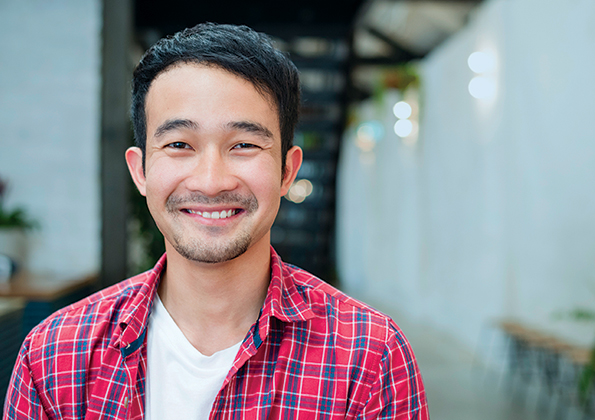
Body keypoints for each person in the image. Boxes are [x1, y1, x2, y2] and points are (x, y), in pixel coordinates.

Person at [4, 23, 428, 419]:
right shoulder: (54, 356)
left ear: (286, 170)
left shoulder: (370, 358)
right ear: (141, 172)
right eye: (179, 144)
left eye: (243, 144)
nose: (211, 182)